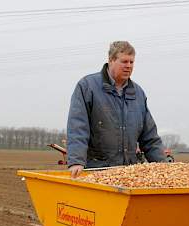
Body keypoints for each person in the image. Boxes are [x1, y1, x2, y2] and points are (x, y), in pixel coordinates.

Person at [67, 41, 167, 178]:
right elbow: (78, 127)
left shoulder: (138, 94)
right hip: (98, 171)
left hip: (129, 173)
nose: (128, 66)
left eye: (131, 62)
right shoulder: (87, 87)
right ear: (111, 60)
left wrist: (164, 166)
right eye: (124, 61)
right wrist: (76, 161)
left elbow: (150, 136)